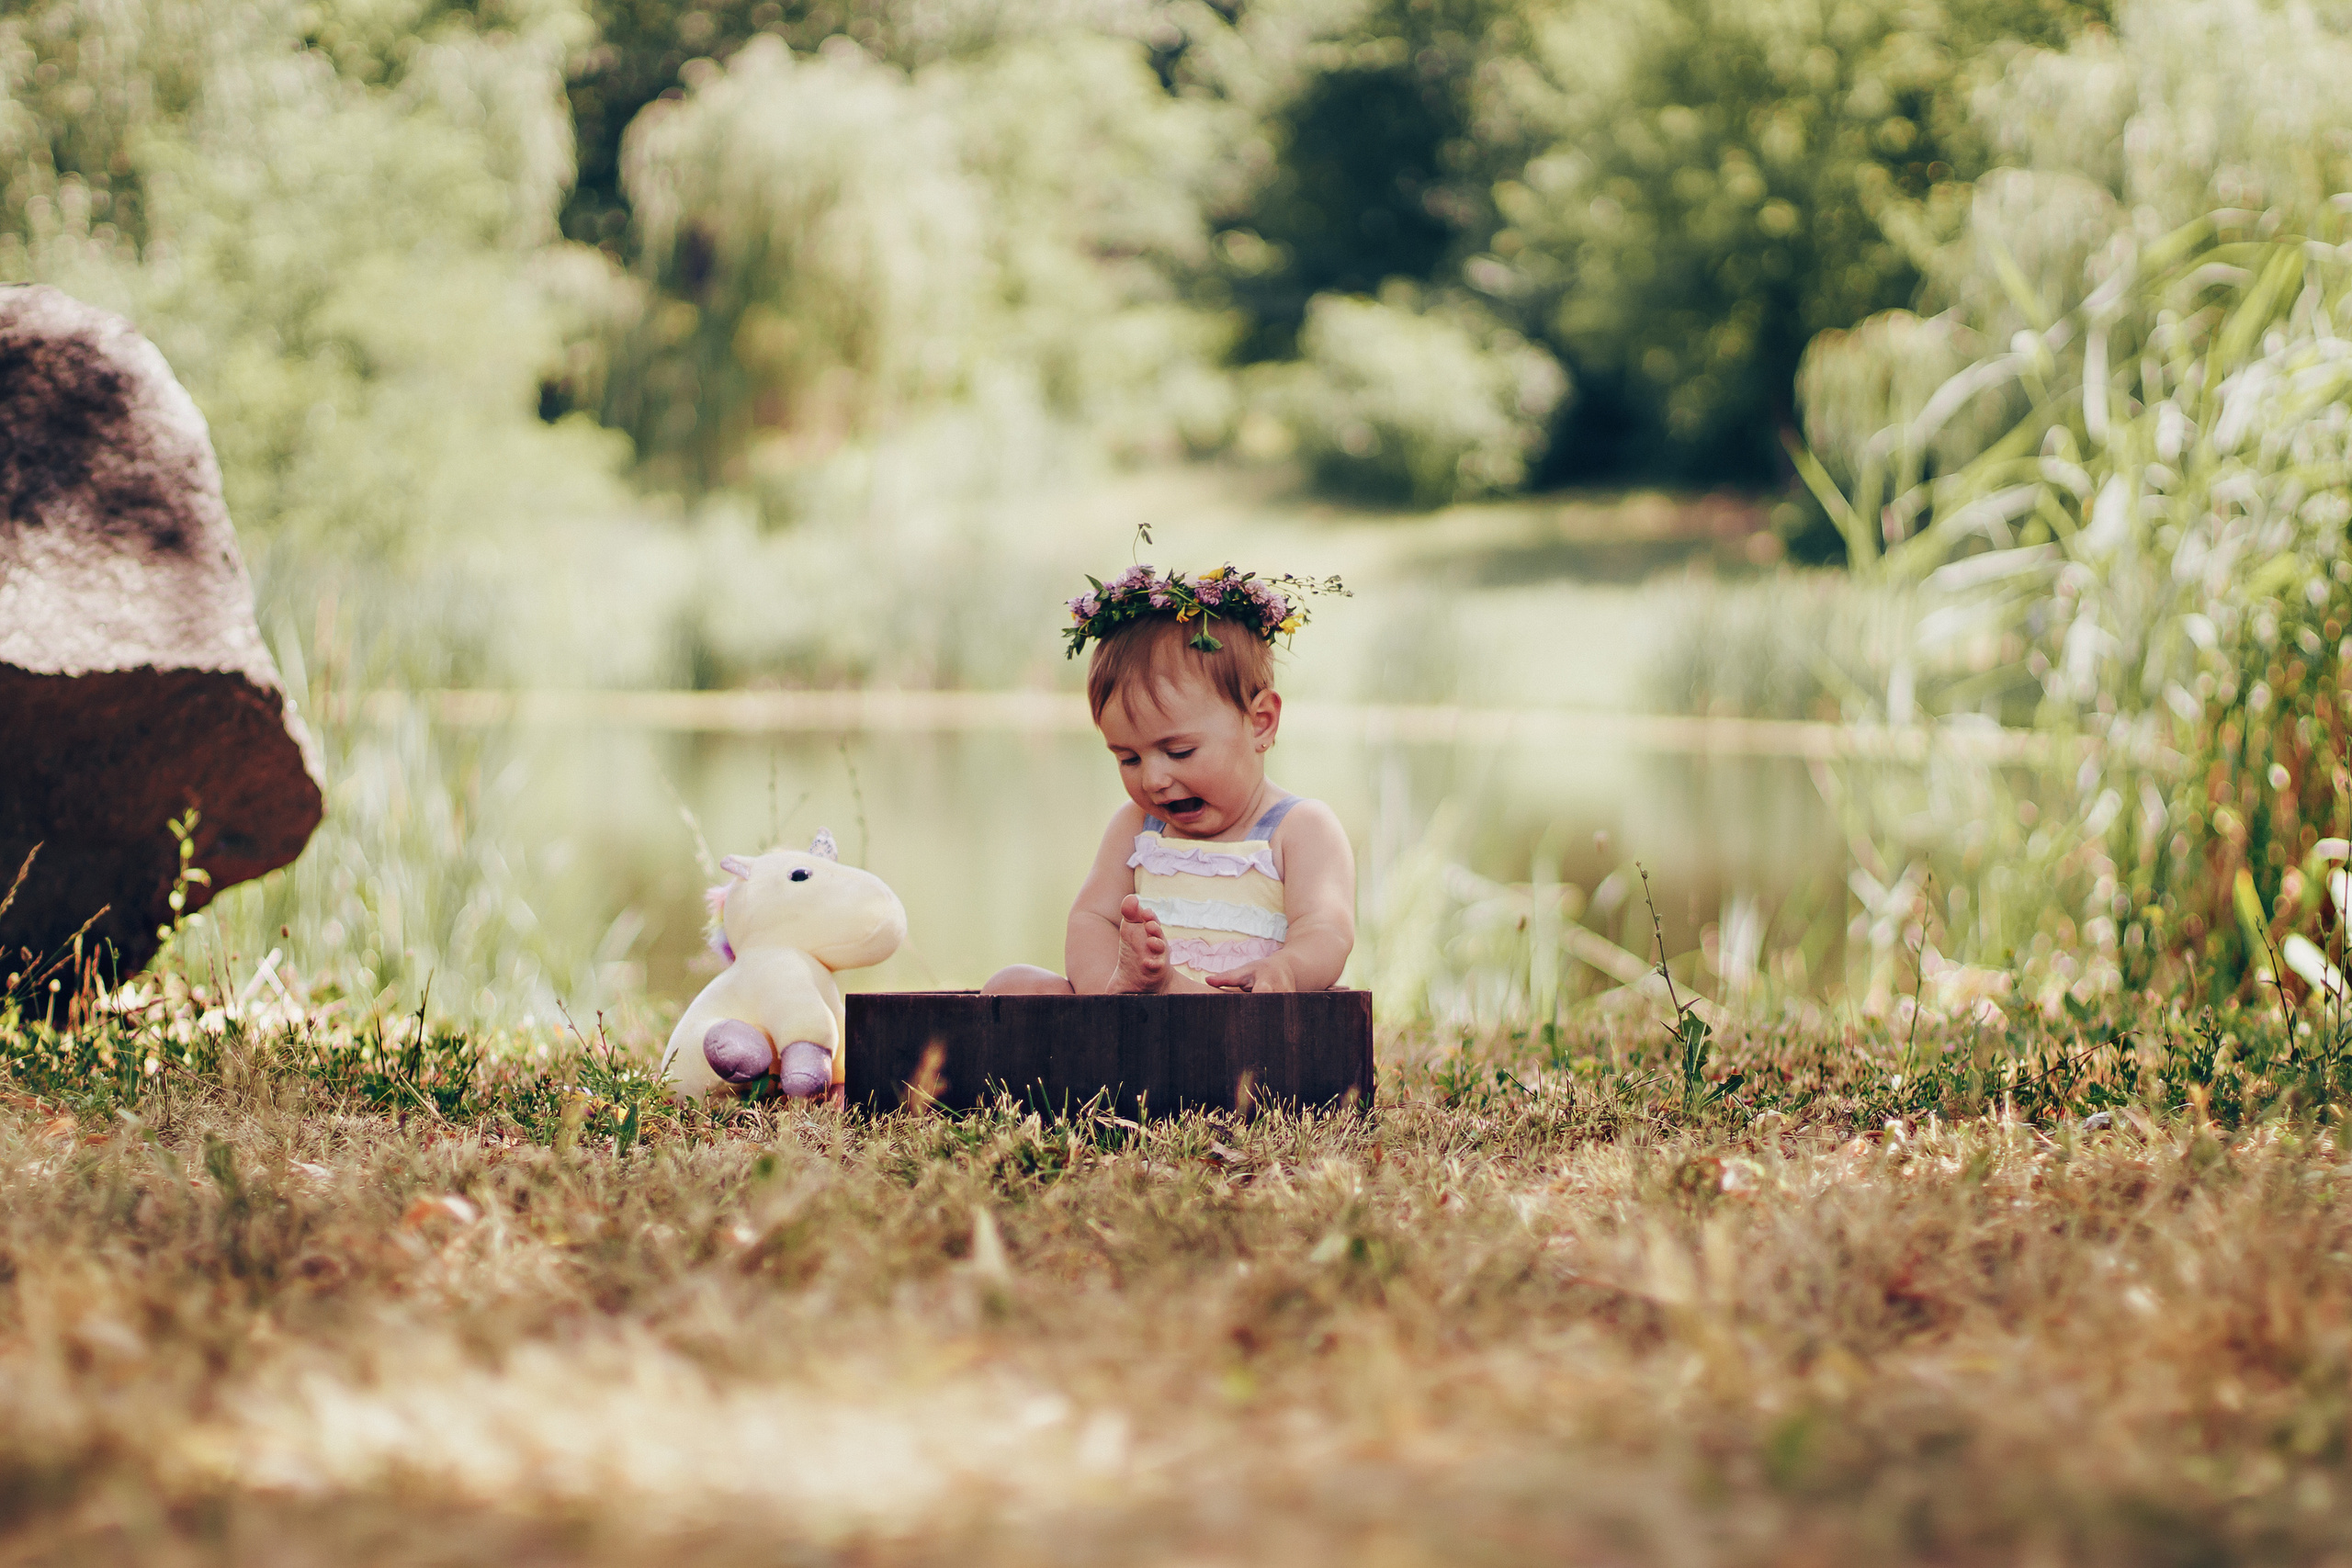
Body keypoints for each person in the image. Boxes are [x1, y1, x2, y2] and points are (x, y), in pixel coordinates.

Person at [984, 563, 1355, 995]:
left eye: (1179, 752)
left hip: (1236, 1020)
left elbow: (1327, 931)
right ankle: (1123, 1017)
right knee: (1010, 986)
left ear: (1260, 723)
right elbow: (1092, 919)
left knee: (1222, 1006)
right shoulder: (1136, 828)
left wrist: (1286, 970)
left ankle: (1167, 994)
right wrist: (1112, 990)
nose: (1154, 780)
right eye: (1128, 759)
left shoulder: (1300, 829)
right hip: (1135, 1019)